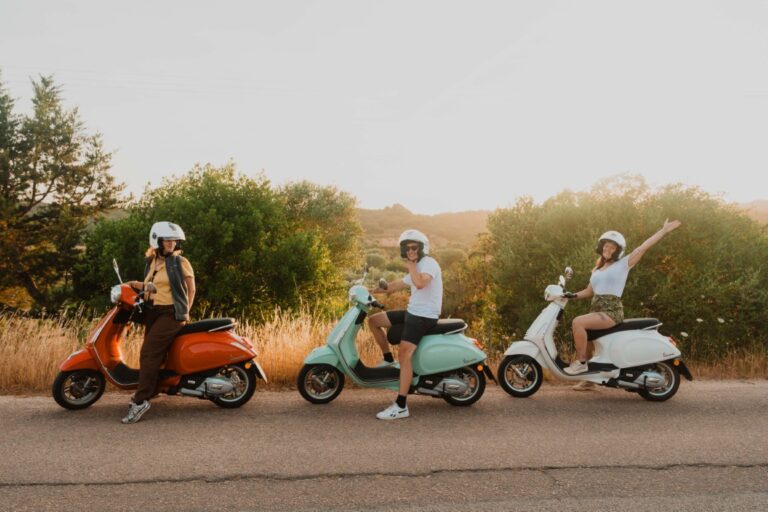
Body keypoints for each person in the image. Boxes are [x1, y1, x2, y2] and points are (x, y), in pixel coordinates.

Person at [563, 219, 681, 377]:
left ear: (617, 251)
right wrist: (570, 296)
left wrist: (663, 230)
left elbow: (643, 247)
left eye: (612, 247)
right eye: (606, 245)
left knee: (578, 322)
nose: (607, 249)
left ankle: (580, 363)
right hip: (597, 311)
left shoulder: (623, 264)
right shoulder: (597, 270)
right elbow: (589, 291)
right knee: (588, 337)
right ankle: (588, 380)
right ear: (601, 247)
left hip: (611, 312)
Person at [121, 221, 196, 424]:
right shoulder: (151, 262)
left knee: (148, 353)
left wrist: (184, 312)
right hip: (153, 313)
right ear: (157, 241)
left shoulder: (180, 262)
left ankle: (140, 401)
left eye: (174, 240)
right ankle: (153, 389)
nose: (172, 244)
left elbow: (191, 289)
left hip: (170, 314)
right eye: (167, 240)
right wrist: (130, 284)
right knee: (155, 356)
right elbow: (149, 286)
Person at [369, 229, 443, 420]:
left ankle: (401, 405)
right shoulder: (418, 266)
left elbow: (420, 283)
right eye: (407, 248)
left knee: (404, 354)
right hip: (413, 312)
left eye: (414, 248)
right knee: (374, 321)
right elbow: (396, 285)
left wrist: (411, 266)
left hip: (423, 316)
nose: (410, 251)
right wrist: (370, 291)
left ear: (422, 248)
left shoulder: (429, 264)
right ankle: (387, 359)